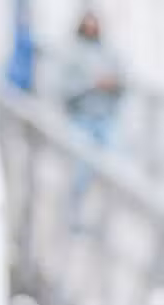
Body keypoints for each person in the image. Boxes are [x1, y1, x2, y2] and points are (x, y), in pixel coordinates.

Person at [59, 10, 123, 228]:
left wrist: (112, 84)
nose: (91, 29)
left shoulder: (107, 52)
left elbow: (122, 81)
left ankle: (105, 222)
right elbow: (63, 89)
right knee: (81, 171)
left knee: (115, 169)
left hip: (105, 119)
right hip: (82, 119)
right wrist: (91, 83)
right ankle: (74, 217)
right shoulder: (72, 52)